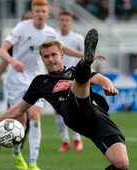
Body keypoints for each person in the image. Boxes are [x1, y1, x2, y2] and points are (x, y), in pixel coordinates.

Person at [0, 28, 129, 170]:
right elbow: (19, 109)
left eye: (54, 55)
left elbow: (102, 79)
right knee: (80, 82)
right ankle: (86, 62)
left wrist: (108, 87)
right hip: (72, 112)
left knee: (121, 164)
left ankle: (86, 64)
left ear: (61, 55)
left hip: (97, 116)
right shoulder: (40, 82)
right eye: (46, 56)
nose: (50, 59)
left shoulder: (72, 71)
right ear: (42, 60)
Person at [0, 0, 105, 169]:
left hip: (37, 79)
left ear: (48, 14)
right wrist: (13, 61)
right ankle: (17, 153)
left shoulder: (50, 32)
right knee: (21, 124)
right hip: (17, 80)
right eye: (37, 11)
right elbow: (1, 50)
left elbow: (63, 49)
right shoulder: (22, 27)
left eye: (43, 11)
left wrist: (87, 56)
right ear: (33, 13)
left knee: (35, 118)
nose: (40, 14)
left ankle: (33, 163)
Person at [0, 11, 33, 154]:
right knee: (10, 114)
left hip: (33, 82)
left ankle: (19, 145)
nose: (28, 22)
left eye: (30, 19)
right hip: (17, 82)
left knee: (31, 117)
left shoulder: (41, 39)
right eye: (26, 19)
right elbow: (4, 60)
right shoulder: (16, 40)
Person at [54, 10, 84, 152]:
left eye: (67, 20)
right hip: (56, 78)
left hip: (72, 78)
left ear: (71, 22)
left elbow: (85, 57)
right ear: (58, 21)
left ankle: (77, 139)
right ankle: (65, 141)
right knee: (57, 111)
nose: (64, 22)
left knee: (73, 109)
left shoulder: (77, 38)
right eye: (62, 20)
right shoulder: (54, 37)